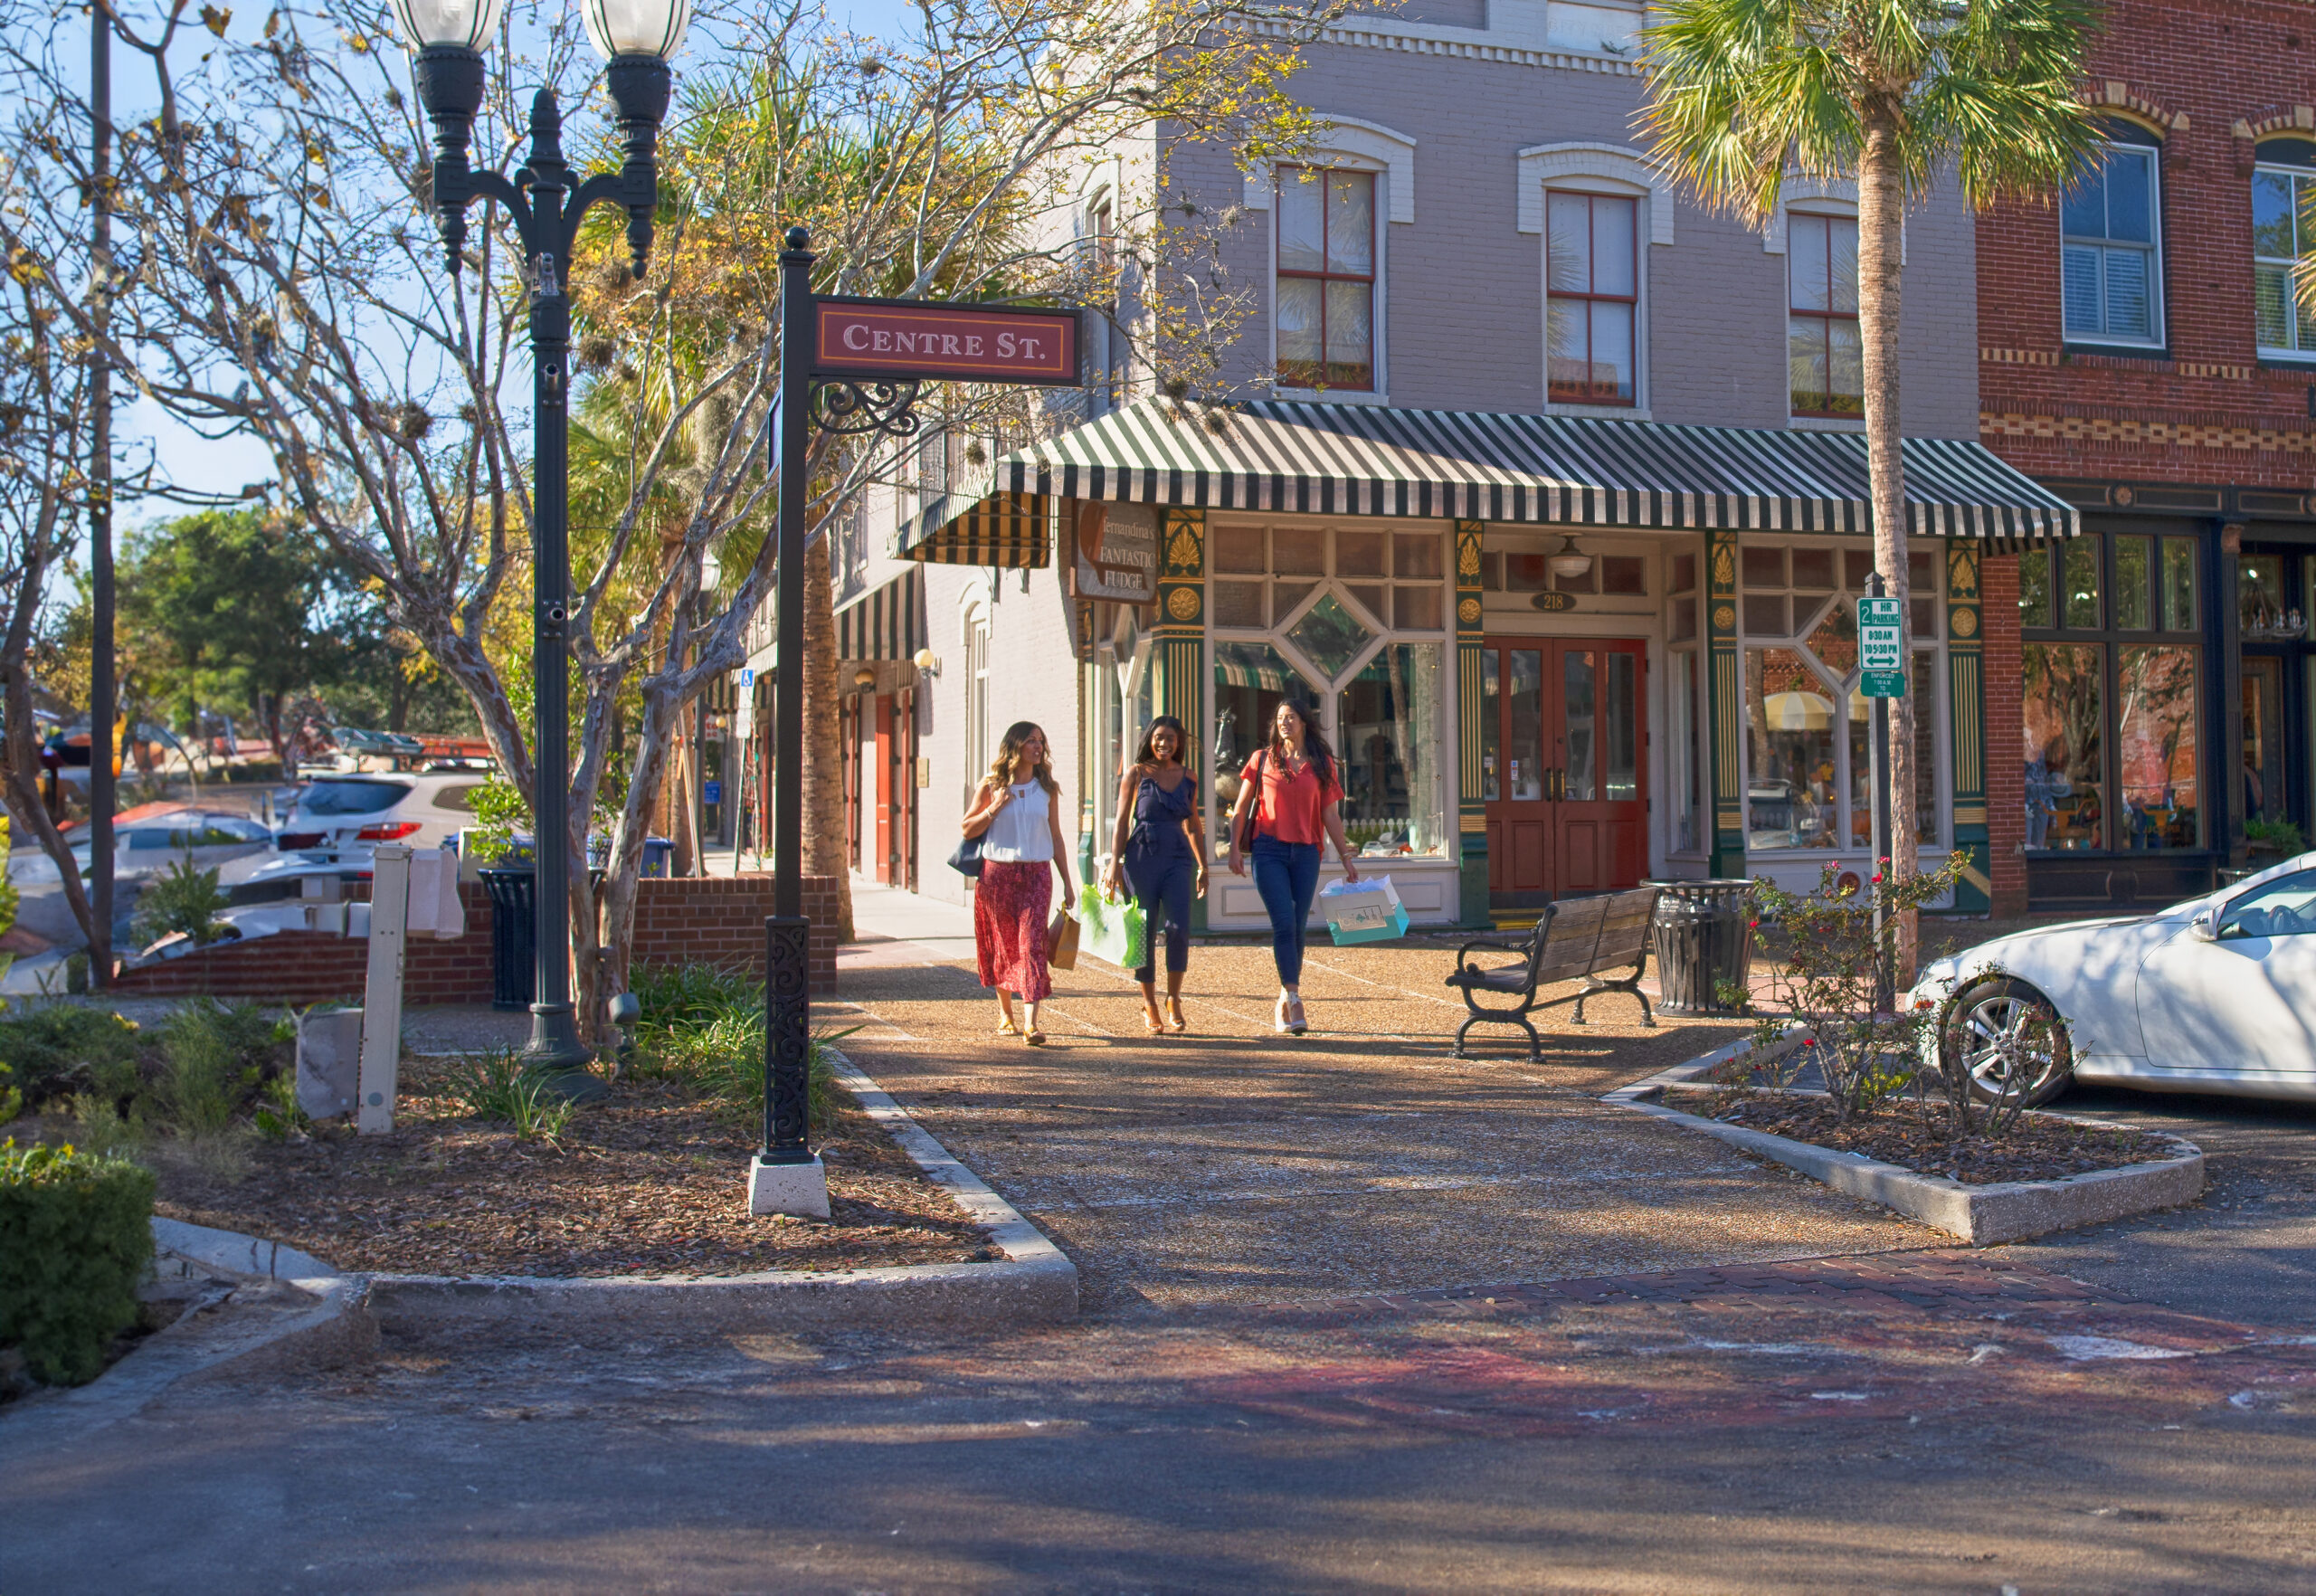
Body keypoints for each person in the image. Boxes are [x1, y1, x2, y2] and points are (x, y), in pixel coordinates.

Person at [1225, 699, 1360, 1036]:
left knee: (1298, 926)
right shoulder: (1261, 759)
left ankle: (1285, 994)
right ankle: (1296, 998)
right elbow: (1240, 809)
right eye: (1281, 718)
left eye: (1291, 717)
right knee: (1284, 921)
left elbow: (1330, 814)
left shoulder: (1322, 764)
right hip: (1268, 850)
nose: (1285, 722)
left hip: (1306, 853)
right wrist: (1233, 850)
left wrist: (1345, 857)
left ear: (1304, 723)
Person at [962, 722, 1077, 1045]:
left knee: (1031, 946)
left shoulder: (1047, 789)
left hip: (1038, 875)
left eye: (1041, 741)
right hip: (997, 875)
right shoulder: (991, 785)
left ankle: (1032, 1024)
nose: (1038, 747)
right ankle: (1005, 1015)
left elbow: (1055, 836)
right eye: (1031, 741)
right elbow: (967, 828)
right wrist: (995, 807)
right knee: (1003, 944)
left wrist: (1068, 881)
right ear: (1015, 747)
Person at [1101, 715, 1210, 1036]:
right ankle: (1148, 1002)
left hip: (1178, 857)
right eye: (1159, 737)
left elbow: (1193, 825)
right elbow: (1122, 821)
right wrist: (1114, 862)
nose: (1164, 743)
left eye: (1171, 738)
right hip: (1141, 857)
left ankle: (1173, 998)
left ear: (1179, 743)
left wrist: (1204, 866)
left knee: (1178, 928)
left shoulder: (1188, 776)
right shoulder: (1136, 774)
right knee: (1143, 932)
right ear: (1150, 739)